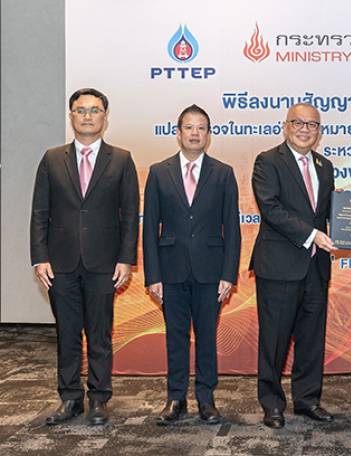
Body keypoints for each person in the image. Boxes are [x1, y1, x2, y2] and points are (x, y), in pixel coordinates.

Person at [30, 88, 139, 426]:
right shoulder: (52, 159)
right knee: (67, 333)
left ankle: (99, 399)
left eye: (94, 110)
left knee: (99, 333)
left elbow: (129, 214)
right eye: (81, 110)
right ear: (71, 116)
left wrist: (126, 259)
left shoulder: (121, 159)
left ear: (105, 116)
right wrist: (39, 257)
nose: (87, 116)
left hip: (104, 263)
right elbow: (39, 212)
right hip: (59, 263)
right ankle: (70, 398)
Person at [143, 104, 241, 425]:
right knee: (175, 337)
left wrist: (228, 274)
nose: (195, 133)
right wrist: (152, 276)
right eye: (189, 127)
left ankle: (206, 399)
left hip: (211, 271)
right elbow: (150, 228)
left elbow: (232, 228)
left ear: (208, 135)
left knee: (207, 337)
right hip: (170, 271)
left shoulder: (223, 173)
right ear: (178, 133)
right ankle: (175, 398)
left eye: (201, 128)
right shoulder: (159, 172)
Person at [250, 103, 336, 429]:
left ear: (319, 131)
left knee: (312, 338)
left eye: (312, 125)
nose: (304, 129)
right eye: (298, 123)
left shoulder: (325, 166)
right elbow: (270, 208)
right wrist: (312, 235)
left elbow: (327, 211)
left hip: (316, 267)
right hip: (279, 265)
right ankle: (272, 404)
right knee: (274, 339)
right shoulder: (268, 161)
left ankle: (308, 399)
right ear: (285, 126)